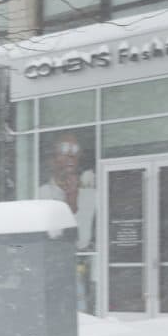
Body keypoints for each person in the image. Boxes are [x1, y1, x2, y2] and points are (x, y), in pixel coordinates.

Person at [38, 131, 97, 312]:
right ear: (53, 159)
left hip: (85, 265)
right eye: (65, 149)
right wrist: (70, 199)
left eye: (75, 149)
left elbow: (83, 237)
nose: (71, 154)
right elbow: (55, 235)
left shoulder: (91, 194)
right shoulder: (42, 194)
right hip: (54, 266)